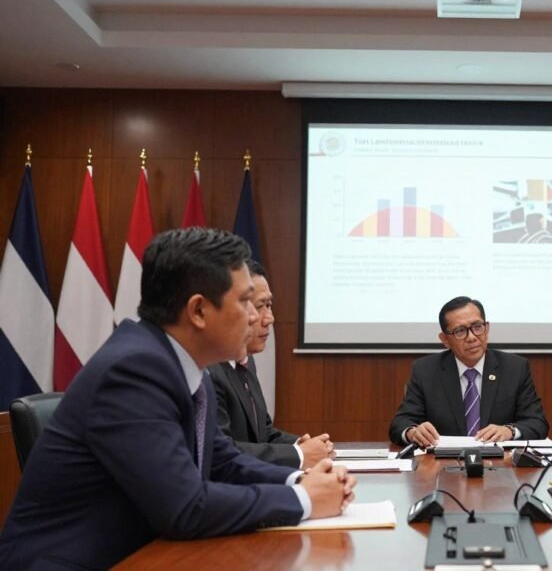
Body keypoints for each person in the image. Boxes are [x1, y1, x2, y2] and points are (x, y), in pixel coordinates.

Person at [0, 228, 357, 570]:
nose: (256, 317)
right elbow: (185, 508)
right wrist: (305, 501)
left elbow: (222, 462)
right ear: (198, 311)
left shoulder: (186, 366)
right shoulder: (133, 371)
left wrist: (301, 480)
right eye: (246, 300)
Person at [208, 259, 333, 468]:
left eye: (269, 305)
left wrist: (301, 444)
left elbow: (263, 432)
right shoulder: (209, 371)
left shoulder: (246, 361)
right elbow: (221, 452)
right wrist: (299, 455)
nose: (269, 319)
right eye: (259, 306)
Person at [389, 296, 549, 446]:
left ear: (487, 329)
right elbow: (400, 423)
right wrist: (413, 432)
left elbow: (537, 423)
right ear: (444, 339)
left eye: (477, 327)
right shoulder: (425, 371)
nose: (472, 337)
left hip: (500, 466)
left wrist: (509, 431)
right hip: (442, 466)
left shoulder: (514, 368)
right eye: (460, 331)